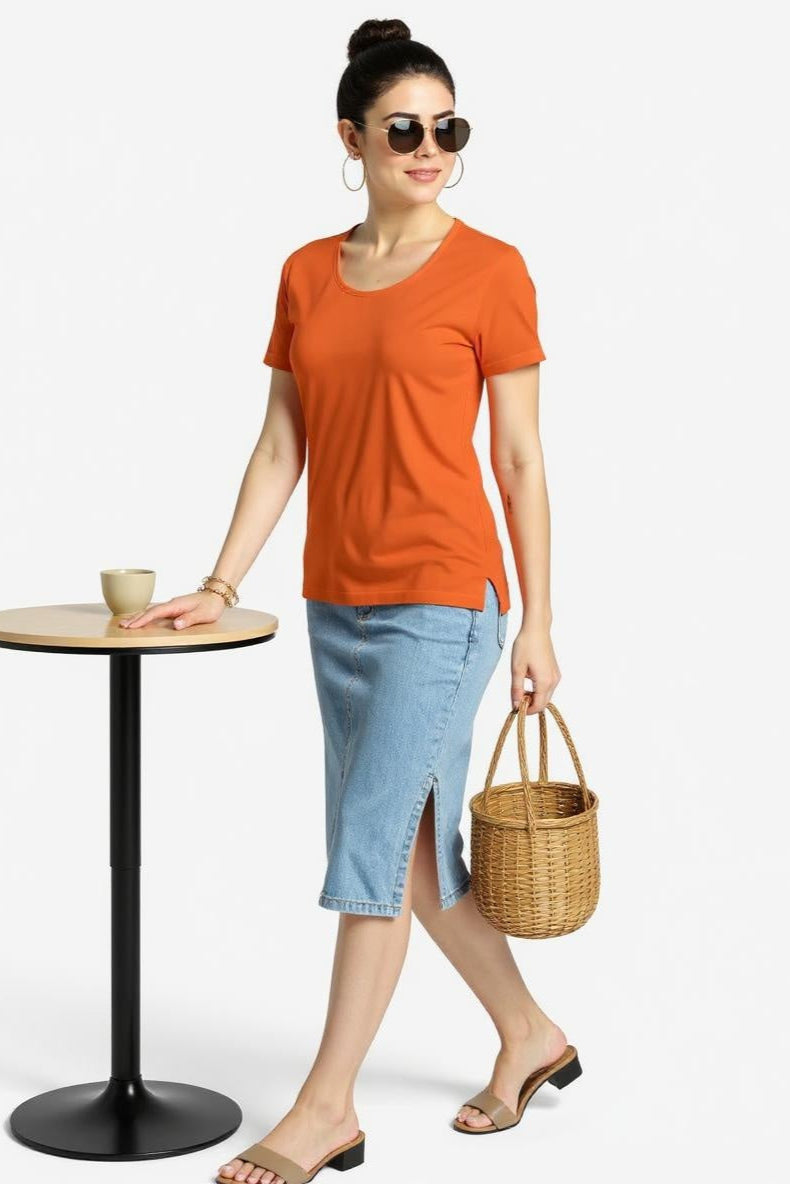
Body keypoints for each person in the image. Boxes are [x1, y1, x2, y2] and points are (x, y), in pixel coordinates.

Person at [121, 17, 571, 1184]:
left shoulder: (492, 268)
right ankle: (531, 1034)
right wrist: (223, 579)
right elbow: (282, 440)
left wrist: (539, 617)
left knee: (368, 855)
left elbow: (519, 459)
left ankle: (325, 1107)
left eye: (447, 129)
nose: (429, 148)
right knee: (412, 863)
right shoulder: (306, 273)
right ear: (352, 136)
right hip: (339, 605)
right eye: (405, 129)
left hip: (445, 599)